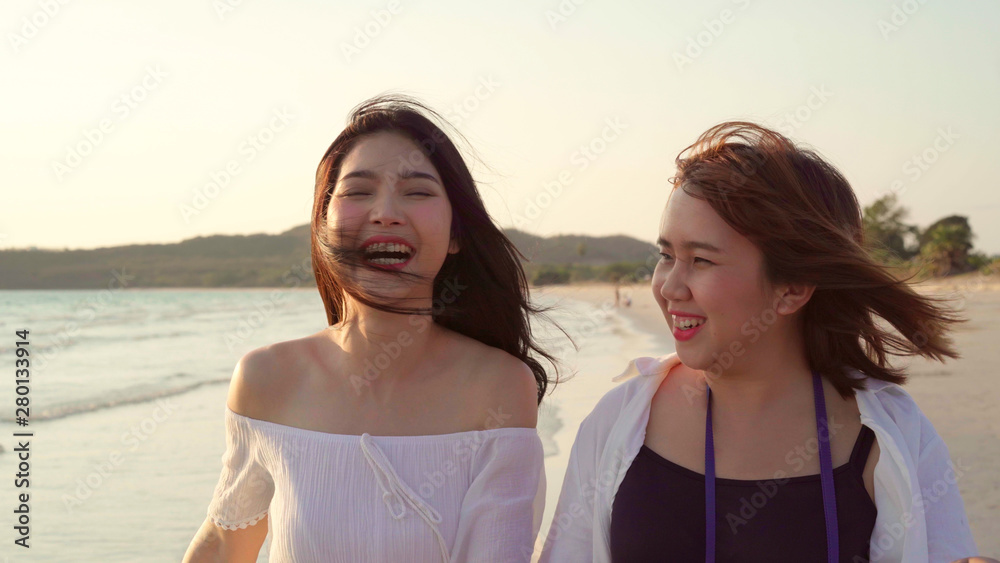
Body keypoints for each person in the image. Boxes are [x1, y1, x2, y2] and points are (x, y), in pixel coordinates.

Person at [538, 122, 988, 562]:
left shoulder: (891, 435)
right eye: (666, 256)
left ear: (792, 286)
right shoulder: (619, 421)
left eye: (700, 259)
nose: (670, 287)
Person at [183, 95, 559, 562]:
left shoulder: (498, 387)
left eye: (417, 192)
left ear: (457, 233)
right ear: (323, 224)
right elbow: (225, 543)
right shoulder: (266, 378)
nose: (385, 212)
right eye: (358, 191)